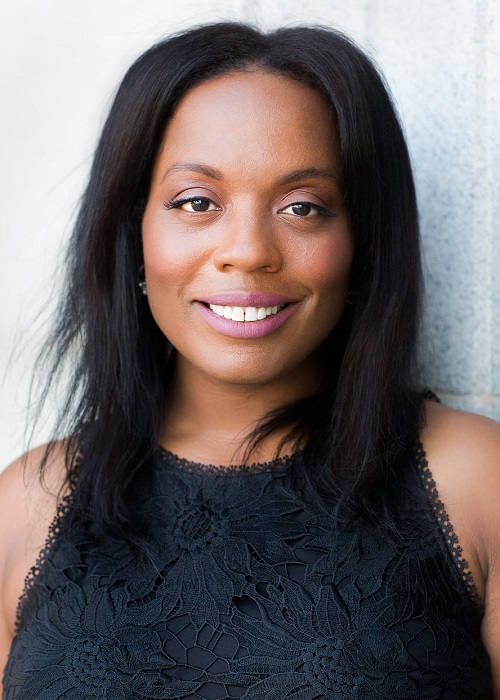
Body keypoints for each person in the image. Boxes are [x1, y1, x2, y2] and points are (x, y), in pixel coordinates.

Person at [0, 20, 499, 698]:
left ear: (363, 241)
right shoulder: (28, 505)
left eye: (303, 207)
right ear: (132, 231)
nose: (249, 251)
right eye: (196, 202)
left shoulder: (477, 482)